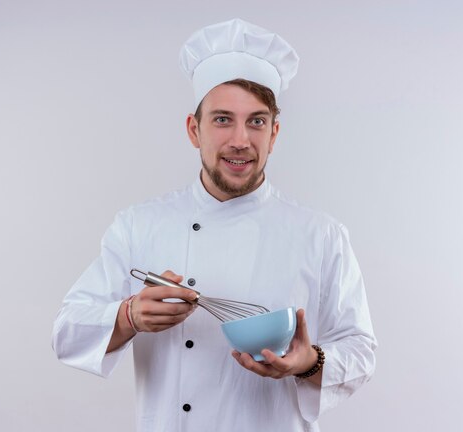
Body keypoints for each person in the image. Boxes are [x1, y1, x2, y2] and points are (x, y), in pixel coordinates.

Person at [52, 18, 377, 432]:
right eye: (223, 119)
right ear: (194, 129)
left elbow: (361, 350)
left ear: (274, 133)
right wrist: (128, 316)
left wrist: (309, 362)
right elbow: (66, 332)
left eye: (256, 121)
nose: (240, 139)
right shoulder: (138, 226)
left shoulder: (321, 235)